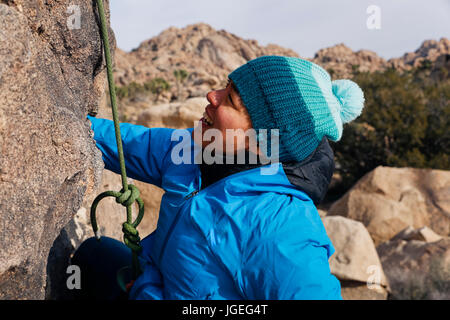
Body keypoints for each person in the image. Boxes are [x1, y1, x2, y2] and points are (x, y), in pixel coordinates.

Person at [72, 55, 364, 300]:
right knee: (93, 256)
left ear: (262, 139)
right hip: (153, 286)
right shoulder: (197, 150)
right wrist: (69, 125)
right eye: (226, 86)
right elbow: (133, 144)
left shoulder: (281, 228)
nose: (212, 96)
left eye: (231, 100)